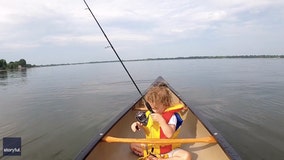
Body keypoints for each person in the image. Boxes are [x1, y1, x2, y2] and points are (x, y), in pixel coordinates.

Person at [130, 84, 191, 160]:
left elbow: (169, 134)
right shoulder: (149, 114)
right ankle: (152, 157)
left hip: (169, 151)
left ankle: (161, 159)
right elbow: (141, 124)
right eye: (150, 107)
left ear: (166, 104)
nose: (152, 110)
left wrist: (162, 121)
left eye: (155, 108)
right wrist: (136, 125)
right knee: (133, 144)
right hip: (152, 148)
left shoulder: (172, 117)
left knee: (186, 156)